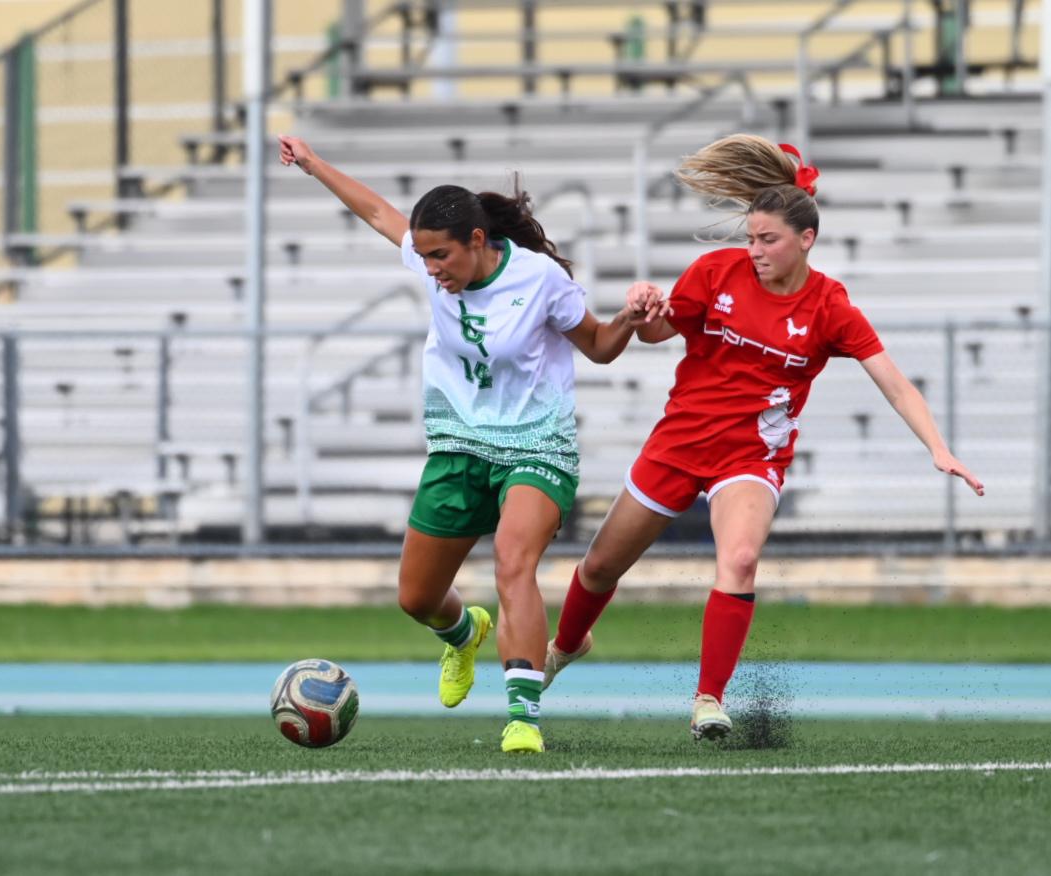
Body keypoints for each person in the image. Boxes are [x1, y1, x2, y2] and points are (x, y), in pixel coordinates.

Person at [542, 134, 985, 741]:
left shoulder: (830, 305)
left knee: (741, 560)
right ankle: (566, 646)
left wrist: (939, 448)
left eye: (767, 239)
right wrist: (645, 310)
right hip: (680, 441)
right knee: (599, 567)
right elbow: (656, 333)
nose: (754, 250)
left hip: (751, 455)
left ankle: (707, 700)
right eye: (750, 237)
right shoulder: (715, 272)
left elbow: (896, 384)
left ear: (806, 239)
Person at [278, 134, 668, 753]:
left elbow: (596, 346)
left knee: (513, 562)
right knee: (416, 598)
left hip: (536, 446)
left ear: (477, 243)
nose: (431, 269)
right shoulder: (432, 262)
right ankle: (464, 634)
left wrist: (628, 321)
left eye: (441, 257)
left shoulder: (539, 279)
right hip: (458, 445)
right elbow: (380, 212)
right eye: (424, 257)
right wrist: (312, 163)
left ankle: (522, 718)